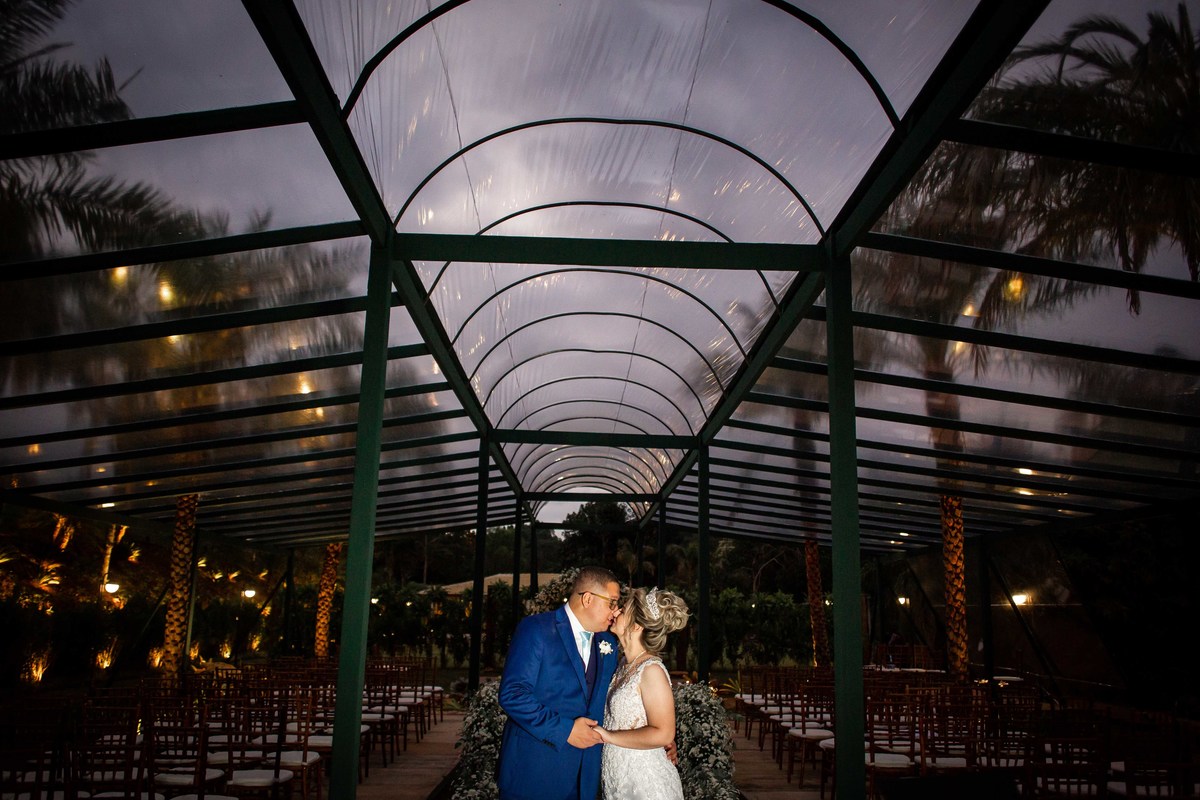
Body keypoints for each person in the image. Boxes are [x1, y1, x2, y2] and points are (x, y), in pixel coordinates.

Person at [497, 566, 622, 800]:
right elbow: (513, 694)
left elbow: (612, 700)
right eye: (612, 602)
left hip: (585, 778)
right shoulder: (536, 629)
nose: (615, 612)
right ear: (587, 598)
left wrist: (655, 741)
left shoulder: (609, 643)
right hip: (533, 773)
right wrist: (566, 730)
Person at [594, 587, 690, 800]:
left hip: (645, 782)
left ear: (637, 625)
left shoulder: (651, 670)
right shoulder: (622, 665)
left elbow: (664, 733)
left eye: (623, 609)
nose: (616, 611)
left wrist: (608, 736)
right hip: (617, 777)